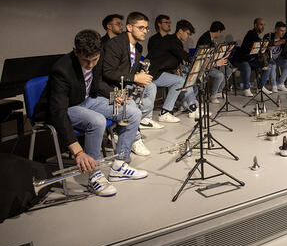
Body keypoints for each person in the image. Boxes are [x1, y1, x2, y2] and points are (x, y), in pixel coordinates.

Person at [33, 29, 147, 197]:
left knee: (132, 112)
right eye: (86, 61)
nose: (91, 65)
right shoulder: (62, 69)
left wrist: (114, 96)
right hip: (66, 107)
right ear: (76, 51)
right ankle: (94, 175)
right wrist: (78, 152)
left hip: (86, 100)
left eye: (95, 60)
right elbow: (58, 111)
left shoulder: (97, 57)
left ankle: (119, 166)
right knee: (98, 121)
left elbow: (97, 83)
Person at [101, 11, 156, 156]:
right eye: (141, 28)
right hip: (108, 88)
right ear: (129, 27)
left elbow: (129, 70)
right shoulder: (115, 45)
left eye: (146, 28)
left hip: (123, 85)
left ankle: (123, 129)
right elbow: (108, 73)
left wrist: (137, 80)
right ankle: (134, 139)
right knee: (133, 109)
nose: (145, 31)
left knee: (151, 87)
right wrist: (134, 78)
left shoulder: (138, 47)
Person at [147, 19, 198, 122]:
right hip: (152, 73)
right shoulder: (172, 41)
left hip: (160, 72)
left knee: (184, 78)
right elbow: (184, 56)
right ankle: (165, 112)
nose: (188, 36)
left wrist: (175, 68)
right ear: (180, 31)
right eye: (187, 33)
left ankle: (193, 108)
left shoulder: (173, 40)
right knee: (181, 80)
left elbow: (169, 58)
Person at [231, 18, 272, 97]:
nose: (263, 27)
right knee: (247, 67)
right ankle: (246, 89)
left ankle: (260, 87)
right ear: (255, 25)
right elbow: (258, 42)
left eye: (263, 25)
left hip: (251, 60)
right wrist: (265, 46)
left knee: (268, 66)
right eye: (261, 24)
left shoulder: (256, 35)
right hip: (242, 59)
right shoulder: (251, 33)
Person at [196, 21, 232, 104]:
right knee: (220, 75)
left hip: (210, 63)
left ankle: (219, 92)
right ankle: (213, 96)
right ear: (218, 31)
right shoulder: (205, 39)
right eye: (221, 32)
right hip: (202, 66)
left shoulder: (210, 37)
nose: (220, 34)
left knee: (228, 70)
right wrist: (216, 61)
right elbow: (204, 58)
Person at [263, 21, 287, 92]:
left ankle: (280, 83)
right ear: (276, 29)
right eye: (281, 31)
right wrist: (274, 44)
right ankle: (274, 85)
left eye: (284, 31)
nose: (283, 33)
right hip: (269, 58)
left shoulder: (284, 37)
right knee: (273, 65)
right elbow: (263, 47)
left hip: (279, 58)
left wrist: (286, 42)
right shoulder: (268, 36)